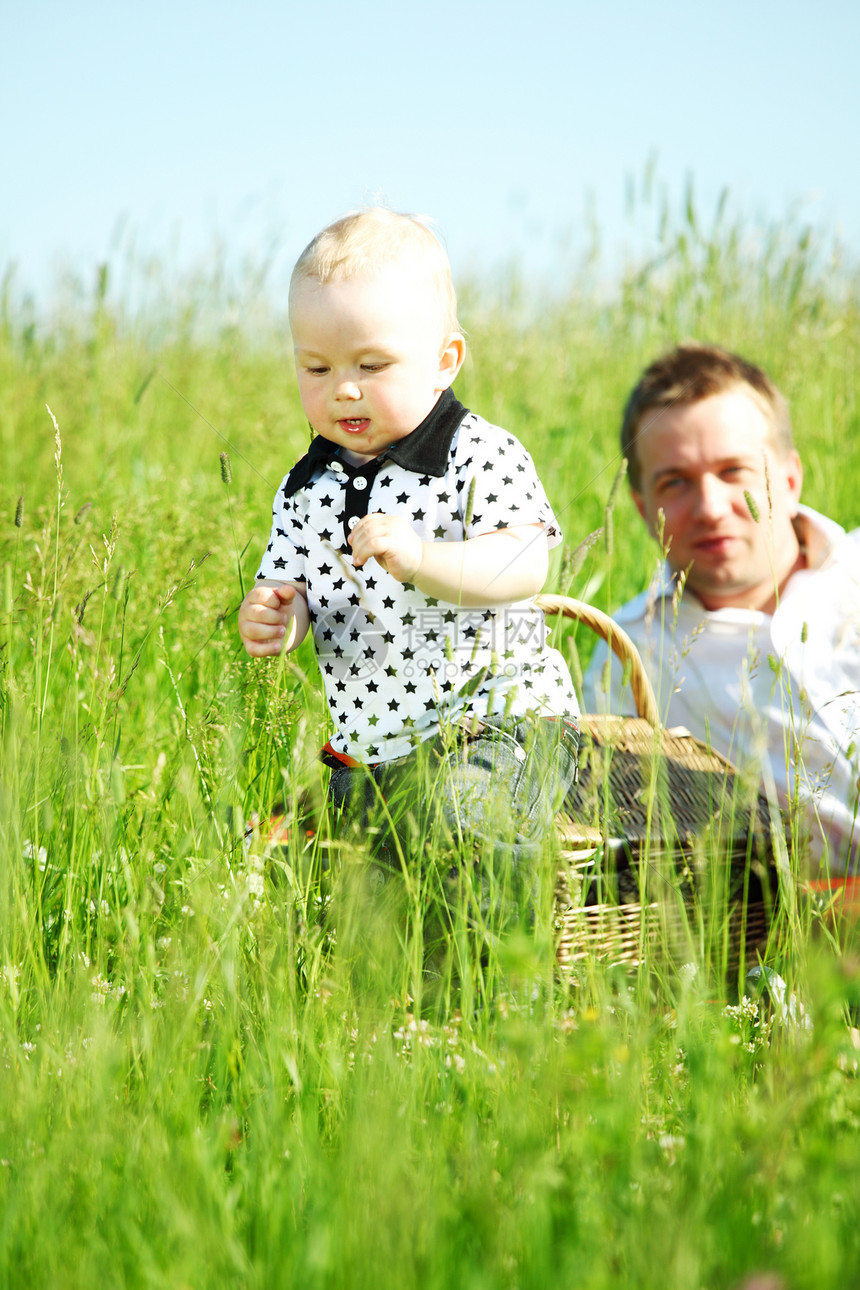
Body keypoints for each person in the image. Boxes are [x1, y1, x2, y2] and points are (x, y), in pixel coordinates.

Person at [238, 208, 579, 914]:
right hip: (372, 747)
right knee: (310, 867)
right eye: (317, 367)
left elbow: (522, 564)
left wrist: (422, 557)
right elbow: (292, 582)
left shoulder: (476, 453)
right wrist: (279, 614)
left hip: (497, 727)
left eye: (372, 364)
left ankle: (496, 991)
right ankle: (377, 1004)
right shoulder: (306, 485)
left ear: (444, 361)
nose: (345, 388)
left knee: (461, 826)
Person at [583, 342, 860, 873]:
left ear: (790, 478)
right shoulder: (630, 654)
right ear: (643, 508)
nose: (710, 508)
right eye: (675, 482)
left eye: (733, 471)